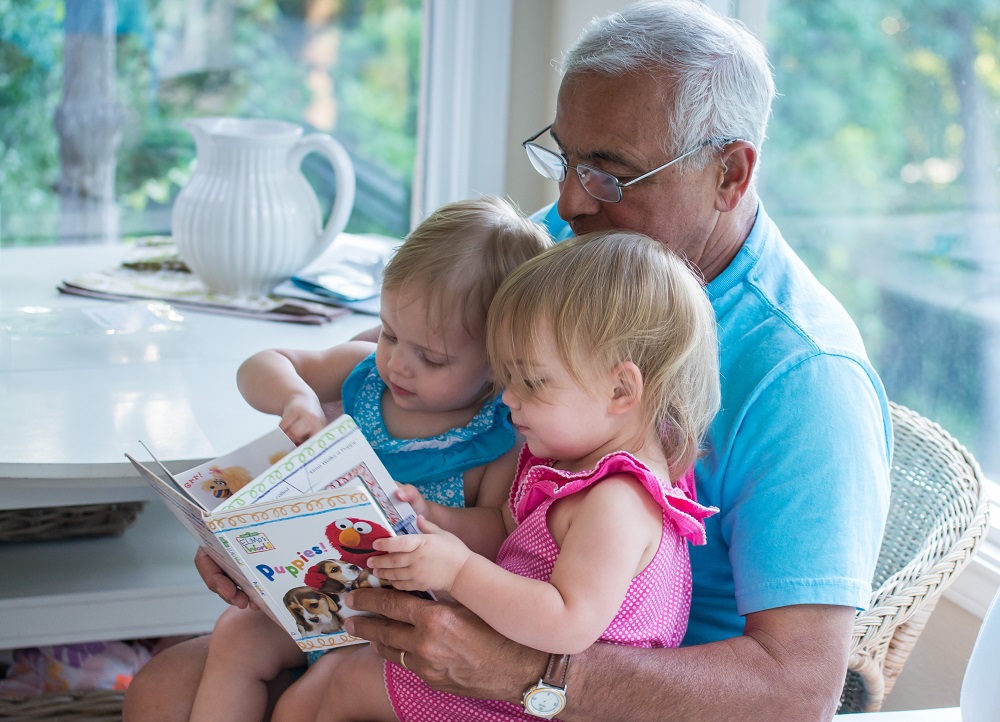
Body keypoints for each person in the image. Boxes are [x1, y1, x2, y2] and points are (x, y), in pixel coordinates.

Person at [125, 2, 892, 720]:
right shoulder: (568, 249)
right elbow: (394, 371)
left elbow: (799, 691)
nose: (570, 201)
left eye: (609, 172)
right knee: (164, 687)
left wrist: (529, 672)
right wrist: (274, 533)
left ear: (730, 174)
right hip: (458, 601)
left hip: (607, 684)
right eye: (563, 158)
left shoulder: (804, 378)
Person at [294, 231, 720, 722]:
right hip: (515, 685)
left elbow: (568, 623)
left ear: (621, 388)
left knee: (340, 684)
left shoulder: (618, 501)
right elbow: (505, 527)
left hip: (538, 705)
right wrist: (435, 518)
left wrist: (457, 571)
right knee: (334, 677)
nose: (509, 400)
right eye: (506, 379)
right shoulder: (574, 461)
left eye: (531, 382)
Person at [182, 196, 551, 722]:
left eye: (432, 357)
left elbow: (500, 532)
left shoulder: (498, 439)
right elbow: (261, 364)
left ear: (499, 361)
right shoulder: (364, 374)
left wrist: (439, 520)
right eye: (390, 333)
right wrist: (296, 397)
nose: (399, 363)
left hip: (402, 619)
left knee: (327, 691)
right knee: (236, 636)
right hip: (314, 590)